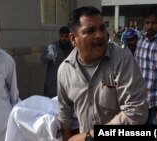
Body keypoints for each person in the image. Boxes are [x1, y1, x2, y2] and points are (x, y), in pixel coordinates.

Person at [57, 6, 148, 141]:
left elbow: (136, 113)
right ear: (73, 39)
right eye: (90, 30)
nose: (99, 35)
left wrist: (89, 137)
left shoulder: (122, 60)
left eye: (102, 28)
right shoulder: (65, 70)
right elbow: (65, 115)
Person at [41, 26, 73, 98]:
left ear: (70, 36)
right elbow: (43, 59)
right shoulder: (52, 47)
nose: (64, 38)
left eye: (66, 36)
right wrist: (48, 56)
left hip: (69, 86)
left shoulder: (74, 48)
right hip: (53, 85)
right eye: (61, 36)